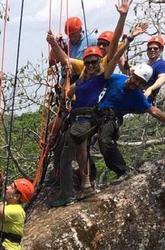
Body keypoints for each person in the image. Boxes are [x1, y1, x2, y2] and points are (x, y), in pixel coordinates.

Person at [49, 36, 132, 207]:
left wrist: (128, 40)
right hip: (77, 120)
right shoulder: (82, 80)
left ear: (99, 62)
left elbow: (115, 56)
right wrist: (53, 44)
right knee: (67, 151)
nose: (91, 66)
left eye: (94, 62)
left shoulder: (102, 77)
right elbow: (68, 86)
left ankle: (66, 194)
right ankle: (75, 184)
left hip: (85, 121)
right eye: (88, 63)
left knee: (66, 158)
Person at [95, 62, 165, 181]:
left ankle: (123, 171)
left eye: (141, 82)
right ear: (131, 74)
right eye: (136, 79)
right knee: (81, 142)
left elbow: (153, 111)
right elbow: (98, 81)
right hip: (98, 112)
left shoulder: (137, 95)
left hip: (111, 117)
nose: (136, 83)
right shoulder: (116, 79)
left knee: (105, 141)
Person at [142, 35, 165, 103]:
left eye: (155, 48)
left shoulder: (160, 64)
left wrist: (150, 89)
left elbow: (162, 78)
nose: (152, 50)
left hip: (145, 97)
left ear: (161, 50)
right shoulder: (144, 65)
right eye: (150, 48)